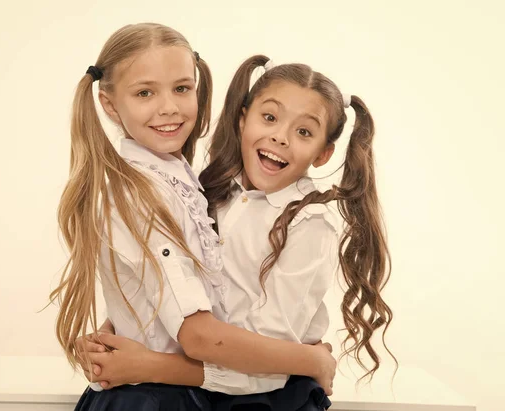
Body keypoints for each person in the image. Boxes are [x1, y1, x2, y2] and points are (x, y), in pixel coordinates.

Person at [83, 55, 396, 411]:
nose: (280, 137)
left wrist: (150, 365)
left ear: (323, 154)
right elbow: (173, 288)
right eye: (270, 117)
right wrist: (118, 328)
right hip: (197, 391)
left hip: (265, 401)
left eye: (304, 132)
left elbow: (270, 366)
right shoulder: (206, 192)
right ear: (243, 118)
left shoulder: (308, 224)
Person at [50, 24, 336, 411]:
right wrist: (312, 360)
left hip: (195, 391)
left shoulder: (192, 183)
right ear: (110, 104)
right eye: (145, 92)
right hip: (160, 398)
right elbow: (200, 338)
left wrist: (119, 330)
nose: (168, 107)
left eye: (182, 88)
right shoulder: (146, 194)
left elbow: (169, 296)